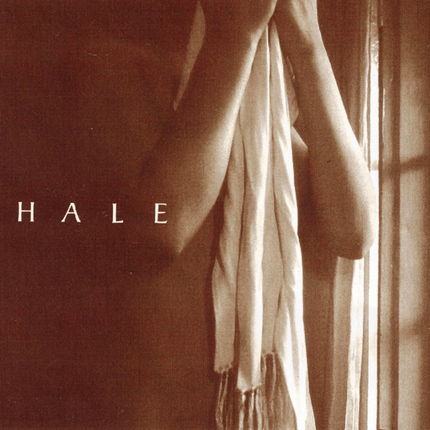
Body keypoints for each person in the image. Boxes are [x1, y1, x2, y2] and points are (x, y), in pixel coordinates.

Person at [0, 0, 376, 428]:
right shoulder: (106, 56)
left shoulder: (256, 103)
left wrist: (308, 44)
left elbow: (355, 230)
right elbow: (162, 226)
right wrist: (234, 38)